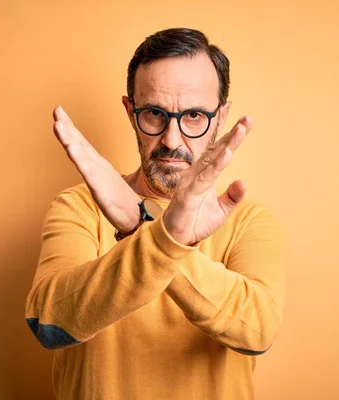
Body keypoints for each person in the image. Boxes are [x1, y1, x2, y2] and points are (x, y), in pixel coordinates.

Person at [25, 27, 285, 399]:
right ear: (131, 112)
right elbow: (48, 324)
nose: (172, 140)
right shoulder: (78, 207)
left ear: (221, 116)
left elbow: (257, 330)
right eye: (154, 114)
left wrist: (140, 224)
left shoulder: (249, 221)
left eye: (194, 115)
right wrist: (165, 236)